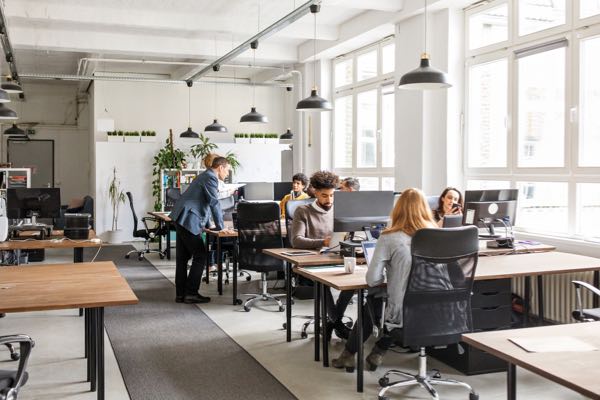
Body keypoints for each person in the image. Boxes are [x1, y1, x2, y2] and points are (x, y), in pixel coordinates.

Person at [331, 188, 437, 371]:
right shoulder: (439, 236)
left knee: (374, 300)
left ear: (397, 209)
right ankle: (378, 352)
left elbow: (372, 280)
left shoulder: (389, 237)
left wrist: (390, 277)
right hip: (437, 310)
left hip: (402, 313)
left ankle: (349, 355)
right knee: (395, 300)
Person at [290, 170, 353, 339]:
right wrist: (322, 242)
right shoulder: (302, 211)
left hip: (338, 257)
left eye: (332, 196)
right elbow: (296, 240)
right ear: (315, 192)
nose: (329, 200)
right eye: (324, 196)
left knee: (355, 282)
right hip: (312, 262)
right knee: (323, 283)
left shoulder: (340, 210)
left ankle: (332, 321)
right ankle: (338, 323)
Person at [170, 156, 235, 304]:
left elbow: (202, 201)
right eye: (227, 170)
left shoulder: (205, 176)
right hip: (188, 219)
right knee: (201, 255)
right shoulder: (210, 178)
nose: (227, 174)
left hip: (182, 218)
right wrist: (221, 227)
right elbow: (213, 202)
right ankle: (191, 293)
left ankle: (181, 294)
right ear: (221, 167)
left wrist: (209, 224)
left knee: (182, 258)